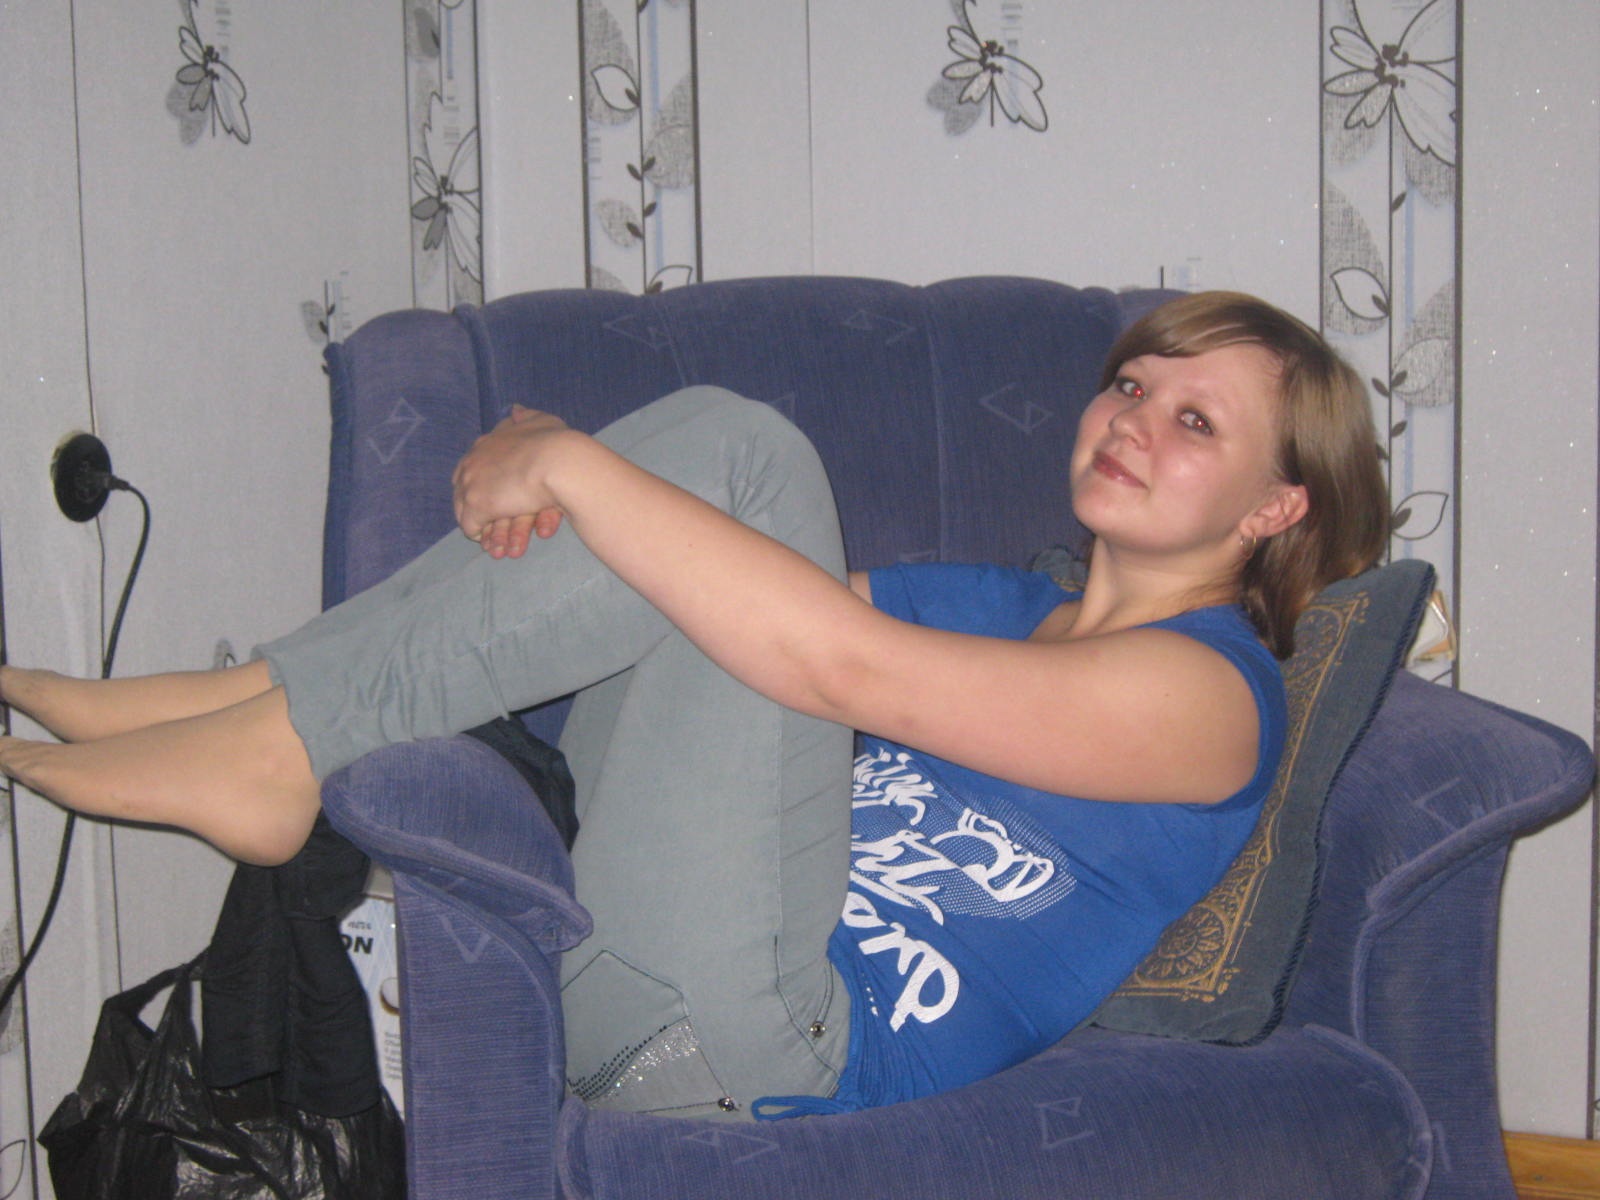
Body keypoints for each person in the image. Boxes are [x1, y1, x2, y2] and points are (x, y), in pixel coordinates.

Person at [0, 290, 1388, 1120]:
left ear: (1277, 508)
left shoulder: (1214, 693)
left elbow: (838, 668)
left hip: (758, 1045)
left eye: (1194, 420)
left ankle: (280, 736)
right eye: (1131, 383)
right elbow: (685, 578)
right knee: (712, 490)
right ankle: (258, 703)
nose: (1133, 414)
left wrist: (566, 463)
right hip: (641, 936)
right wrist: (581, 472)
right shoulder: (1005, 606)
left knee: (745, 458)